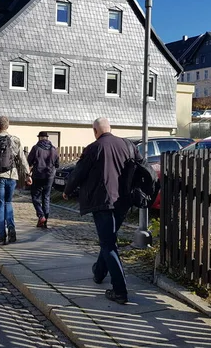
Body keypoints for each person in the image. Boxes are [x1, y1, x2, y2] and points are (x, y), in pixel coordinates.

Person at [63, 117, 139, 305]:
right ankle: (99, 272)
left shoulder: (94, 148)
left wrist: (67, 191)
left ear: (95, 130)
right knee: (109, 240)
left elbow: (79, 172)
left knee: (108, 245)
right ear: (110, 128)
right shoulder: (128, 145)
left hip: (103, 202)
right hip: (123, 202)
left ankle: (120, 291)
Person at [0, 116, 32, 245]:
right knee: (8, 203)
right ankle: (11, 230)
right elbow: (22, 158)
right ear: (7, 126)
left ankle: (1, 236)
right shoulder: (15, 140)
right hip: (11, 175)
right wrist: (28, 174)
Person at [27, 131, 59, 228]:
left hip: (38, 176)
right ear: (47, 138)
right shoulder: (53, 149)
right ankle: (45, 221)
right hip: (49, 177)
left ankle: (41, 215)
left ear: (40, 138)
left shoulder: (36, 148)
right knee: (46, 198)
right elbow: (57, 164)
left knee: (35, 197)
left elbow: (29, 162)